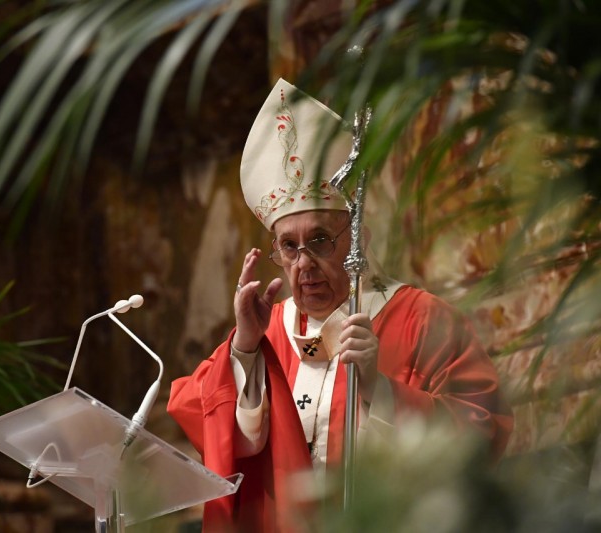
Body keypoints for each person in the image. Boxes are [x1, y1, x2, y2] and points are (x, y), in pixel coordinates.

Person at [167, 78, 513, 532]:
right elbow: (202, 419)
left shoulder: (421, 318)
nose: (304, 263)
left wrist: (381, 391)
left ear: (359, 240)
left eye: (320, 241)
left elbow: (481, 431)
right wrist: (245, 352)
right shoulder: (266, 330)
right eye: (288, 247)